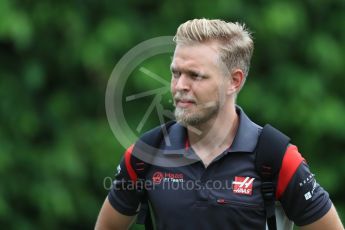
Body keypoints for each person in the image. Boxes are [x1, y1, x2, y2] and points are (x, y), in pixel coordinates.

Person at [95, 19, 344, 230]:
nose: (179, 86)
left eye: (195, 75)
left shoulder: (276, 157)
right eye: (175, 73)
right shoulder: (146, 152)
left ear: (233, 81)